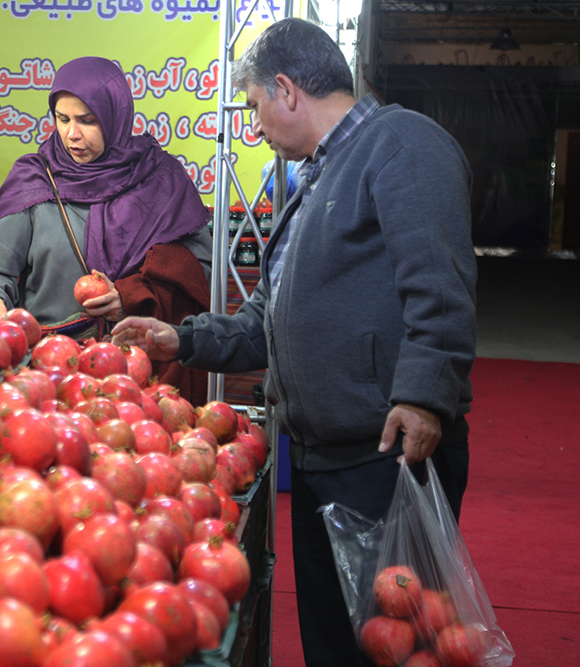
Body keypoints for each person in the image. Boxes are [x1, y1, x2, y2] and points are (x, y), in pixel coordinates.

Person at [112, 18, 477, 667]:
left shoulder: (402, 144)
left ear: (285, 89)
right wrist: (182, 338)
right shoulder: (313, 180)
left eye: (253, 105)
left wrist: (424, 394)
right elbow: (266, 321)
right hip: (318, 459)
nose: (252, 125)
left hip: (384, 456)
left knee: (396, 644)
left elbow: (441, 285)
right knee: (336, 644)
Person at [0, 56, 213, 400]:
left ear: (116, 117)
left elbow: (199, 275)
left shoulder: (163, 181)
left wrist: (131, 298)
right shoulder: (36, 179)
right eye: (62, 119)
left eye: (87, 121)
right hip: (48, 372)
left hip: (137, 378)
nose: (72, 134)